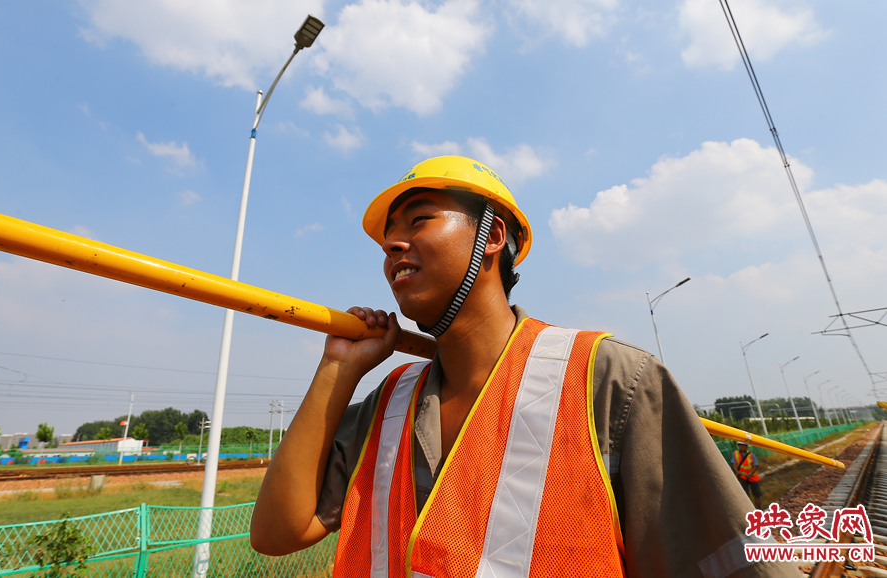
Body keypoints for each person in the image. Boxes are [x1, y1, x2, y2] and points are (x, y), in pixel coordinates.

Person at [251, 156, 799, 577]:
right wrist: (338, 369)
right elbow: (278, 532)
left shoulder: (609, 379)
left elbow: (729, 561)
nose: (393, 244)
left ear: (493, 237)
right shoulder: (390, 401)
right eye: (389, 235)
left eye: (419, 221)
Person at [733, 441, 763, 509]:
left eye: (744, 445)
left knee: (757, 495)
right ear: (738, 445)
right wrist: (737, 472)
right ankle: (748, 510)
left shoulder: (751, 455)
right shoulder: (735, 454)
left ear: (746, 446)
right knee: (745, 496)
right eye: (740, 445)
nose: (742, 446)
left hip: (753, 477)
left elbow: (755, 466)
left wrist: (750, 474)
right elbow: (734, 463)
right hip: (742, 477)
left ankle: (759, 511)